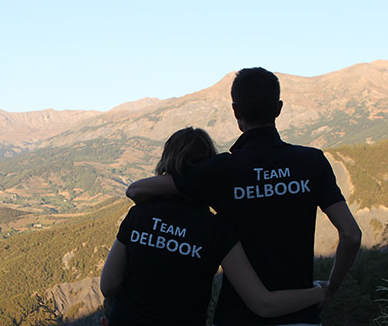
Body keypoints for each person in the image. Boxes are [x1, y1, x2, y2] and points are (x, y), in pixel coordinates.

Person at [126, 68, 362, 325]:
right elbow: (351, 234)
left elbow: (137, 189)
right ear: (279, 108)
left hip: (237, 317)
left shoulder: (222, 171)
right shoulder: (311, 162)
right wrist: (329, 289)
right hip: (299, 313)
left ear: (236, 111)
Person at [101, 127, 327, 326]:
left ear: (165, 162)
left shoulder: (138, 215)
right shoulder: (217, 228)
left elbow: (108, 286)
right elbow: (262, 303)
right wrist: (318, 293)